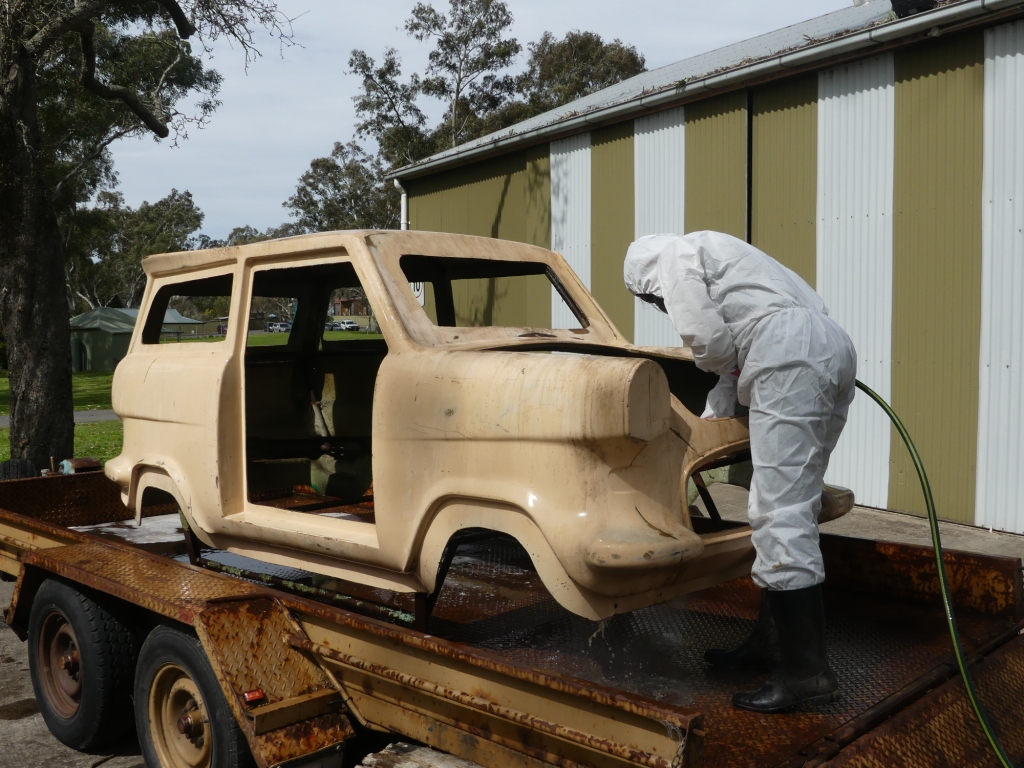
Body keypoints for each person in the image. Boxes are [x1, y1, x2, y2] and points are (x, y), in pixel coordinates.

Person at [623, 231, 857, 713]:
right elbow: (745, 342)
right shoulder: (730, 251)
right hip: (832, 346)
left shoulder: (672, 257)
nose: (658, 304)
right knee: (799, 502)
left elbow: (708, 342)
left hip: (789, 356)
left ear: (646, 279)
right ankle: (770, 644)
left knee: (779, 513)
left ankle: (806, 675)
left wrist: (716, 378)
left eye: (652, 298)